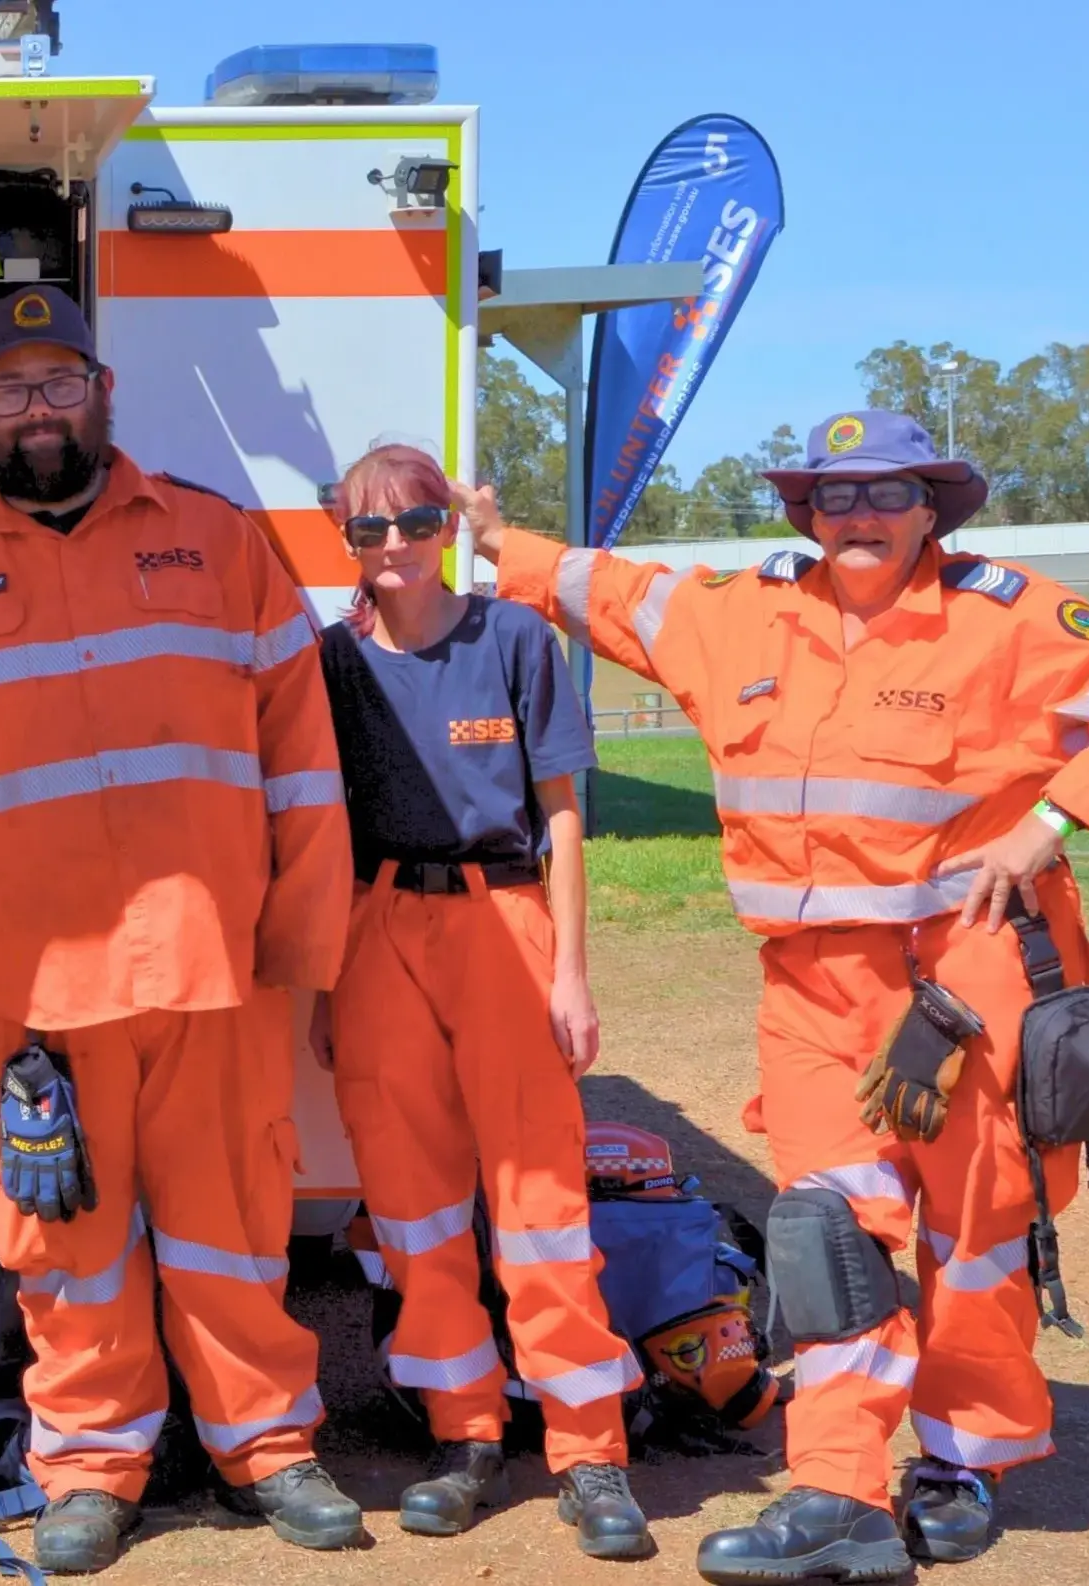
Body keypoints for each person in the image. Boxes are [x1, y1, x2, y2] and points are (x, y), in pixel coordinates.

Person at [466, 410, 1089, 1583]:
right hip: (804, 989)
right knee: (821, 1234)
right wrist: (497, 538)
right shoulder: (737, 610)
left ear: (932, 509)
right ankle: (836, 1487)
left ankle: (965, 1458)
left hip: (962, 968)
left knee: (971, 1239)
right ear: (805, 512)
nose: (858, 515)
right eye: (834, 496)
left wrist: (1049, 823)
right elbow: (609, 588)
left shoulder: (1009, 620)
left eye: (886, 493)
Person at [0, 286, 358, 1573]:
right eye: (9, 389)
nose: (37, 409)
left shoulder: (217, 541)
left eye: (58, 381)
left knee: (234, 1222)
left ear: (101, 391)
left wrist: (302, 934)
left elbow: (300, 753)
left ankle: (270, 1450)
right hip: (28, 994)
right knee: (64, 1247)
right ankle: (91, 1465)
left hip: (208, 960)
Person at [315, 445, 651, 1559]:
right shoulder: (331, 662)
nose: (394, 546)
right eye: (369, 531)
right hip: (373, 927)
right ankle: (462, 1435)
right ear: (345, 542)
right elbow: (314, 828)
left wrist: (569, 970)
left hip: (501, 919)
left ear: (447, 523)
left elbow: (560, 814)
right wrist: (329, 974)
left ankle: (586, 1445)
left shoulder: (512, 636)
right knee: (410, 1205)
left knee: (538, 1193)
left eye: (413, 521)